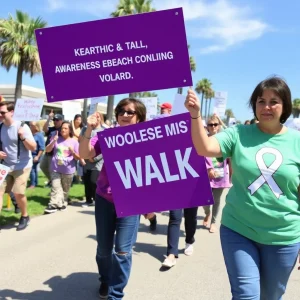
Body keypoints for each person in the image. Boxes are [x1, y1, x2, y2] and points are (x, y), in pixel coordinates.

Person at [185, 77, 300, 299]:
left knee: (271, 295)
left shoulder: (297, 142)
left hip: (284, 237)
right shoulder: (238, 134)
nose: (266, 107)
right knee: (246, 295)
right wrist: (195, 115)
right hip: (239, 230)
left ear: (285, 105)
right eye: (261, 101)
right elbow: (204, 147)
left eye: (274, 101)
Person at [79, 98, 146, 300]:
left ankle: (116, 294)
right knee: (104, 250)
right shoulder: (107, 136)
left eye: (130, 112)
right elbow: (85, 153)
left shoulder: (149, 138)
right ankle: (105, 280)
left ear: (139, 117)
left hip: (132, 201)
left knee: (123, 251)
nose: (125, 115)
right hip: (105, 199)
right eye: (121, 111)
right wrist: (88, 129)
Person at [0, 101, 36, 231]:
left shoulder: (22, 127)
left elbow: (33, 147)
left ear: (11, 112)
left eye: (3, 112)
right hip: (5, 166)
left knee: (18, 192)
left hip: (22, 165)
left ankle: (25, 216)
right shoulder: (0, 127)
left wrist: (22, 137)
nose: (0, 115)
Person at [203, 115, 232, 233]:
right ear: (207, 127)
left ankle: (213, 222)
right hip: (207, 175)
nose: (213, 127)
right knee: (205, 200)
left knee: (216, 200)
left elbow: (228, 130)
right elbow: (201, 154)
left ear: (219, 126)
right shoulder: (204, 139)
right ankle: (207, 213)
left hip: (221, 175)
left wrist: (219, 119)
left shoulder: (224, 138)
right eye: (211, 125)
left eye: (215, 124)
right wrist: (209, 168)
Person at [44, 121, 80, 214]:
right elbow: (47, 150)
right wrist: (53, 141)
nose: (63, 130)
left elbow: (78, 158)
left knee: (65, 189)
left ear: (70, 130)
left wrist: (73, 152)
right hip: (55, 167)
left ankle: (63, 202)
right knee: (55, 186)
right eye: (62, 128)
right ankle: (53, 204)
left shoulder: (74, 142)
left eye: (65, 128)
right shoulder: (56, 138)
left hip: (68, 170)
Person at [79, 112, 105, 207]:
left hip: (97, 162)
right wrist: (81, 157)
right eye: (93, 116)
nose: (95, 118)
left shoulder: (104, 131)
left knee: (94, 181)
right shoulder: (85, 129)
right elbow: (81, 143)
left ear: (100, 118)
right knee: (87, 181)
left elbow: (104, 150)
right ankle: (88, 200)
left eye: (97, 116)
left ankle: (96, 198)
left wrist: (94, 158)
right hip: (86, 160)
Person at [41, 111, 63, 185]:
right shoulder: (51, 129)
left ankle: (55, 183)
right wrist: (49, 118)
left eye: (57, 120)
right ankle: (52, 180)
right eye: (54, 120)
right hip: (47, 152)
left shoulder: (63, 129)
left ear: (61, 121)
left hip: (55, 154)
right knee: (42, 166)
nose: (55, 121)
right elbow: (44, 129)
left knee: (52, 171)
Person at [28, 121, 45, 188]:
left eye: (31, 125)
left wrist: (37, 156)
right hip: (30, 154)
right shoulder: (30, 134)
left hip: (36, 155)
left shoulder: (39, 135)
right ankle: (35, 182)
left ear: (36, 127)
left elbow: (42, 147)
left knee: (32, 169)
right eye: (30, 125)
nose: (30, 126)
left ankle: (32, 184)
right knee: (33, 169)